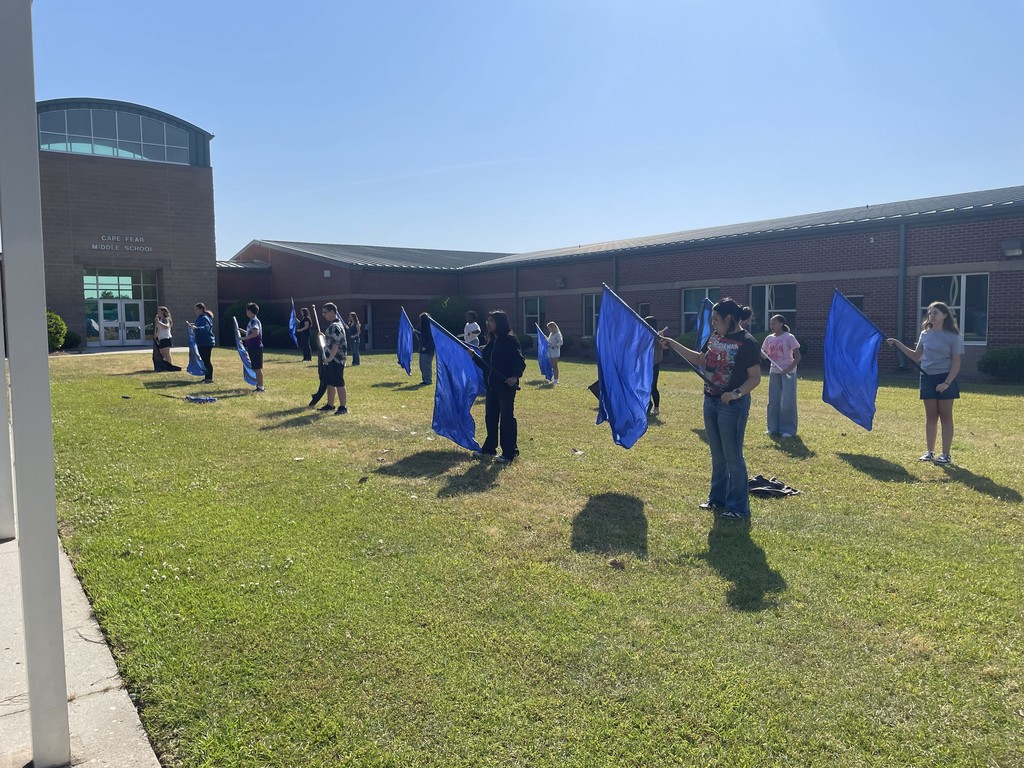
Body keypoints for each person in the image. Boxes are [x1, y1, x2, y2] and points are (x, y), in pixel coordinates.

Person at [661, 298, 762, 520]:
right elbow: (700, 359)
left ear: (729, 318)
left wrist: (735, 394)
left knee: (733, 455)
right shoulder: (716, 337)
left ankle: (738, 507)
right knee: (717, 455)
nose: (714, 323)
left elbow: (755, 378)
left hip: (732, 406)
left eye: (716, 319)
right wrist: (672, 343)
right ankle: (717, 500)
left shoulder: (747, 342)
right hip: (711, 401)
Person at [886, 301, 964, 465]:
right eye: (930, 313)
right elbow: (916, 356)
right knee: (931, 417)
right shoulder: (925, 334)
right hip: (927, 377)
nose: (932, 316)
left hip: (945, 378)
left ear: (944, 315)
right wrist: (898, 344)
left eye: (935, 312)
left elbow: (956, 363)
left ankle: (946, 454)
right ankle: (929, 452)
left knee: (945, 416)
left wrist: (947, 383)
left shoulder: (953, 336)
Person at [471, 310, 527, 463]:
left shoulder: (510, 341)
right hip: (491, 387)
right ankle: (489, 449)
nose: (488, 324)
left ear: (500, 324)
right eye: (488, 321)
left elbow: (519, 361)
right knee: (491, 418)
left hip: (505, 387)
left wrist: (514, 376)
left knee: (507, 419)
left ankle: (509, 452)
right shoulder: (491, 342)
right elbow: (486, 365)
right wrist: (474, 357)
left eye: (492, 321)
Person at [761, 314, 801, 437]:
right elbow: (764, 353)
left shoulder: (789, 337)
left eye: (774, 323)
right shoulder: (769, 338)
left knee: (788, 401)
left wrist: (788, 369)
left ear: (781, 324)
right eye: (771, 323)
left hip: (788, 372)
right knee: (773, 400)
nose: (771, 325)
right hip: (774, 372)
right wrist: (763, 354)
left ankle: (788, 430)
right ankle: (772, 428)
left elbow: (798, 357)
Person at [319, 303, 348, 414]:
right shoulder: (333, 325)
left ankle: (343, 407)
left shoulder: (335, 326)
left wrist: (330, 358)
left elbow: (336, 344)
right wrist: (323, 337)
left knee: (339, 382)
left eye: (325, 312)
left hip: (336, 359)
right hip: (330, 359)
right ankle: (330, 404)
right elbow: (330, 341)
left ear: (332, 312)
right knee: (330, 383)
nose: (324, 315)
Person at [187, 303, 216, 383]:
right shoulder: (200, 318)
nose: (195, 311)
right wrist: (193, 326)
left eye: (196, 309)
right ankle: (207, 377)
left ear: (201, 309)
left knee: (206, 360)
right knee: (204, 360)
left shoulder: (205, 318)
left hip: (206, 342)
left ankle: (209, 378)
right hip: (201, 342)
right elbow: (199, 326)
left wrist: (196, 328)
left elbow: (205, 328)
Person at [240, 302, 265, 392]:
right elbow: (250, 333)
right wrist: (240, 331)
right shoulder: (252, 321)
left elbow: (255, 333)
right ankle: (259, 385)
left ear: (250, 311)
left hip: (256, 347)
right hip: (252, 347)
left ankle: (261, 387)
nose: (246, 312)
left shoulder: (254, 321)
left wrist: (243, 338)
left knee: (257, 368)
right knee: (255, 367)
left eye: (247, 310)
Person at [644, 316, 663, 414]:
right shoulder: (644, 334)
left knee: (653, 386)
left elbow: (661, 347)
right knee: (645, 385)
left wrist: (658, 339)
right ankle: (647, 404)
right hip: (645, 364)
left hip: (654, 364)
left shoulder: (658, 336)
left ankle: (656, 407)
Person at [414, 312, 434, 385]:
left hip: (427, 349)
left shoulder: (430, 329)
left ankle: (428, 380)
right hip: (423, 349)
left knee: (426, 365)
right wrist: (417, 332)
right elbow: (422, 336)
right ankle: (425, 379)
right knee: (422, 365)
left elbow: (429, 339)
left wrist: (425, 347)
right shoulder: (424, 329)